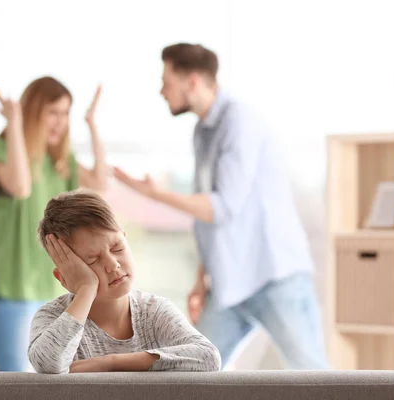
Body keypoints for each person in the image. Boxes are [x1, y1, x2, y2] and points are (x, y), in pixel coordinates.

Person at [113, 43, 330, 370]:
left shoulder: (239, 122)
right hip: (230, 284)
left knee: (314, 377)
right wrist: (202, 278)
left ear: (194, 81)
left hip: (273, 276)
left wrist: (155, 195)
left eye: (166, 81)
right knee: (191, 371)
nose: (161, 91)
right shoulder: (202, 132)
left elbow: (223, 207)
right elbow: (207, 218)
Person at [0, 77, 109, 372]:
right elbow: (21, 187)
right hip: (14, 291)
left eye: (65, 114)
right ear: (33, 111)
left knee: (57, 383)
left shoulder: (61, 160)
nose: (60, 122)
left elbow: (101, 185)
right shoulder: (1, 150)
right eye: (52, 112)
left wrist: (91, 123)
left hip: (56, 291)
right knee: (16, 387)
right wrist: (15, 124)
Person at [28, 190, 221, 374]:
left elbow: (208, 357)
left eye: (117, 247)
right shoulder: (52, 316)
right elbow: (49, 364)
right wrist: (86, 289)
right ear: (63, 278)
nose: (113, 265)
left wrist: (110, 363)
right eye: (92, 261)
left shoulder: (153, 311)